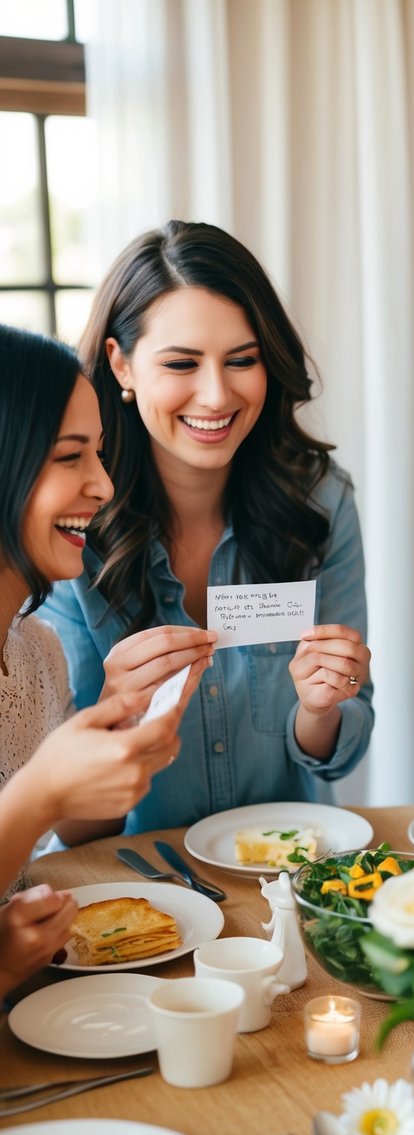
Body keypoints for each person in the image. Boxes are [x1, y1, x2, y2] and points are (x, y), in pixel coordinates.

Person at [40, 220, 373, 836]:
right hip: (139, 887)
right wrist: (121, 714)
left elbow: (338, 754)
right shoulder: (71, 527)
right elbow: (78, 831)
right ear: (122, 365)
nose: (216, 395)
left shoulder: (320, 501)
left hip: (284, 873)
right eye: (182, 363)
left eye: (242, 360)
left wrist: (320, 706)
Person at [0, 325, 200, 999]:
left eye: (101, 454)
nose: (104, 485)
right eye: (69, 456)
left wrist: (117, 723)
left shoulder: (36, 652)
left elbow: (69, 835)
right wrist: (41, 790)